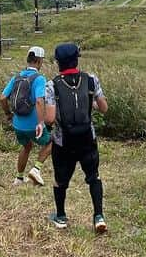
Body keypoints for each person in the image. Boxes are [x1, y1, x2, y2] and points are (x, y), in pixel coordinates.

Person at [44, 42, 108, 233]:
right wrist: (90, 104)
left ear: (58, 62)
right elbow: (103, 107)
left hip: (63, 142)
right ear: (76, 59)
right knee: (93, 177)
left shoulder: (51, 85)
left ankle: (61, 217)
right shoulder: (90, 80)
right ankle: (98, 216)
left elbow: (49, 117)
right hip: (88, 139)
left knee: (60, 181)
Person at [0, 46, 52, 186]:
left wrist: (8, 114)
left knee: (26, 146)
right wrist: (41, 123)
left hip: (18, 124)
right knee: (51, 143)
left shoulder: (17, 77)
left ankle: (18, 178)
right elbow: (40, 101)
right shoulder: (39, 78)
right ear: (39, 61)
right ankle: (36, 169)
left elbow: (3, 98)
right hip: (32, 124)